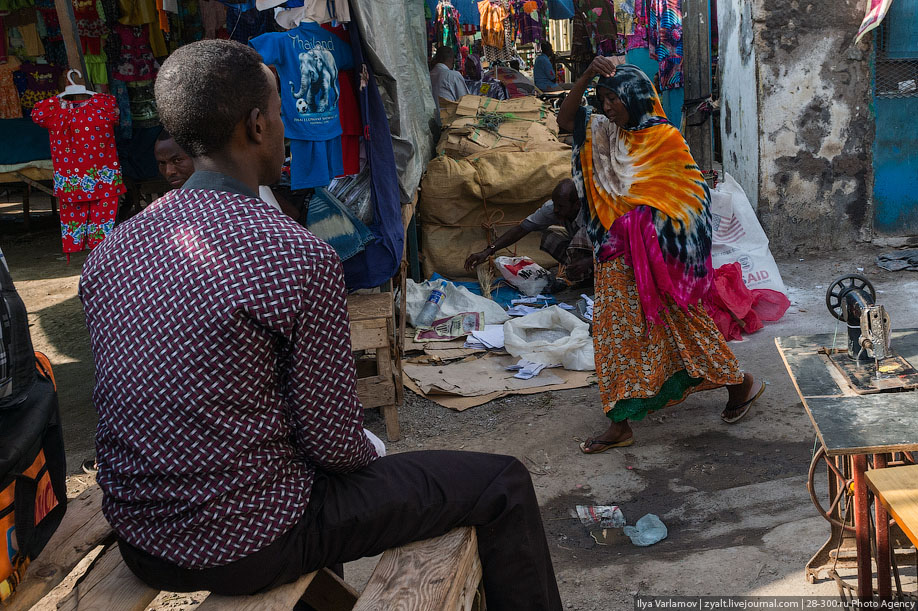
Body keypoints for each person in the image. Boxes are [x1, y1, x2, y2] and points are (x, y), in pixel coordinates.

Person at [79, 39, 562, 610]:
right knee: (501, 484)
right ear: (258, 125)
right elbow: (333, 445)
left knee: (305, 471)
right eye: (281, 113)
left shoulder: (114, 248)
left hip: (144, 538)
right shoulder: (293, 252)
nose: (284, 127)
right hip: (247, 542)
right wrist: (370, 448)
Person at [556, 57, 765, 453]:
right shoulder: (603, 134)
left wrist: (640, 224)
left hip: (656, 259)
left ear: (635, 97)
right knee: (616, 336)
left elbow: (690, 197)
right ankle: (620, 422)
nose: (607, 107)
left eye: (613, 99)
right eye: (602, 99)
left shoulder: (665, 139)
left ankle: (740, 383)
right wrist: (585, 75)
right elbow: (566, 120)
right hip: (615, 259)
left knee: (684, 327)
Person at [464, 178, 593, 285]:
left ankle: (596, 277)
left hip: (604, 255)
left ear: (577, 205)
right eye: (555, 204)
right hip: (588, 252)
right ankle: (585, 279)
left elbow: (613, 248)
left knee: (581, 236)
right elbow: (521, 229)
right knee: (550, 237)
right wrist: (488, 251)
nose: (556, 210)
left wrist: (588, 262)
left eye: (561, 206)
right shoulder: (552, 209)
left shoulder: (595, 214)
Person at [429, 46, 469, 112]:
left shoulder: (430, 75)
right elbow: (465, 100)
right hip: (448, 118)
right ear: (451, 59)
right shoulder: (453, 75)